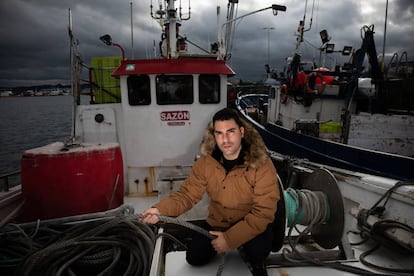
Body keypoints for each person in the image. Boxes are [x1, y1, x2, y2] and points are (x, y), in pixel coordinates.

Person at [141, 108, 280, 276]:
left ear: (241, 132)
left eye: (231, 132)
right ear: (214, 135)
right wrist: (160, 210)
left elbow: (263, 213)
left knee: (257, 254)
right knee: (194, 257)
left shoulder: (262, 164)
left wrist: (229, 239)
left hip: (249, 222)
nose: (225, 139)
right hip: (218, 222)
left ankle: (245, 243)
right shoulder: (206, 163)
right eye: (219, 133)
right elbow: (187, 195)